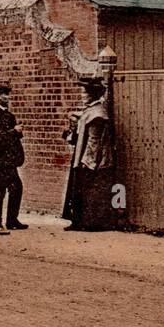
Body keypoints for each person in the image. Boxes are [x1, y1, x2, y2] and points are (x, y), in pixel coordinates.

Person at [62, 78, 114, 230]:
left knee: (88, 190)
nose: (82, 95)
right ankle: (77, 221)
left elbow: (94, 141)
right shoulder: (91, 110)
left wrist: (88, 161)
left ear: (93, 94)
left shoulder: (98, 114)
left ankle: (88, 223)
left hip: (90, 159)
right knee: (78, 189)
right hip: (81, 156)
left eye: (85, 92)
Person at [0, 85, 25, 235]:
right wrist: (14, 131)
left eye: (8, 95)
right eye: (4, 95)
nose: (7, 97)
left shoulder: (8, 115)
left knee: (16, 188)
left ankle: (12, 220)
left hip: (10, 161)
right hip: (0, 160)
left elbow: (14, 137)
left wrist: (18, 130)